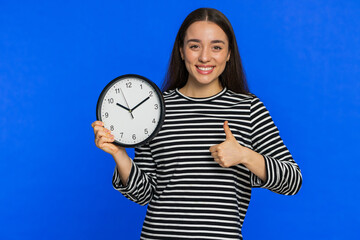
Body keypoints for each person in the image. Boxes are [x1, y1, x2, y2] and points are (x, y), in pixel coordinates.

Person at [92, 8, 302, 240]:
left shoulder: (248, 108)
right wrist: (120, 154)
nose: (204, 57)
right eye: (194, 46)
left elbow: (292, 181)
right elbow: (144, 194)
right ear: (181, 51)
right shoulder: (155, 108)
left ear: (229, 53)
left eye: (216, 47)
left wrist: (244, 156)